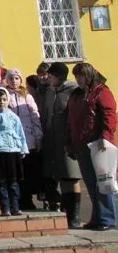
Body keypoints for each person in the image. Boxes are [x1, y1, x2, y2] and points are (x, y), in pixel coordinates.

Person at [66, 63, 117, 231]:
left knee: (103, 182)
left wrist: (106, 137)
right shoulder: (77, 94)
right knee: (91, 183)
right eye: (76, 76)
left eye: (81, 76)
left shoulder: (102, 92)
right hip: (82, 145)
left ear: (89, 76)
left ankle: (107, 219)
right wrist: (71, 143)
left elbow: (109, 115)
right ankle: (97, 217)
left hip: (98, 144)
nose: (78, 79)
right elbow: (71, 120)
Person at [41, 62, 82, 226]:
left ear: (58, 76)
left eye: (51, 75)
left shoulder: (73, 91)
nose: (48, 78)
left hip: (68, 140)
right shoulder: (51, 91)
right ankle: (67, 211)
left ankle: (75, 215)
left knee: (72, 177)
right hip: (52, 141)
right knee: (61, 176)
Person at [0, 87, 29, 216]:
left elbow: (20, 133)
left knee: (13, 181)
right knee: (2, 181)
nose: (1, 102)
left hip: (13, 150)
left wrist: (23, 148)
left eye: (4, 99)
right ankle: (5, 208)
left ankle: (15, 206)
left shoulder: (13, 116)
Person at [5, 68, 42, 211]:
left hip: (29, 138)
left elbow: (35, 116)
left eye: (17, 78)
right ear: (7, 80)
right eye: (11, 78)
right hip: (12, 140)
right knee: (15, 171)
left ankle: (28, 200)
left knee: (28, 171)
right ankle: (17, 200)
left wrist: (38, 136)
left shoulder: (27, 96)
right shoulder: (4, 95)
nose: (14, 81)